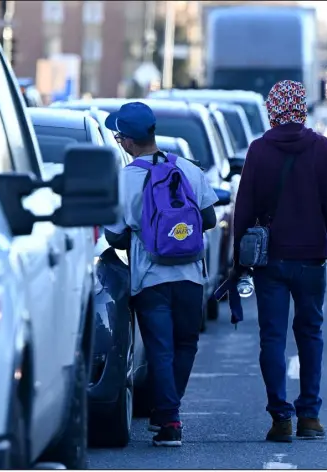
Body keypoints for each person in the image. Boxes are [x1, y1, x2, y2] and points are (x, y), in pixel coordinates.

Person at [232, 80, 327, 443]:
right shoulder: (325, 150)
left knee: (272, 338)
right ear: (302, 108)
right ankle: (309, 416)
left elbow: (244, 209)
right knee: (311, 334)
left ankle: (280, 417)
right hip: (312, 259)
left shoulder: (258, 151)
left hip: (270, 261)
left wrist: (238, 260)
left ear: (273, 110)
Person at [103, 102, 219, 447]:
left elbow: (114, 235)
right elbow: (210, 219)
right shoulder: (187, 169)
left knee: (159, 348)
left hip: (150, 277)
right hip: (190, 277)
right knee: (186, 344)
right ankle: (167, 411)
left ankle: (169, 419)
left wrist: (142, 235)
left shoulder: (125, 179)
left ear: (127, 141)